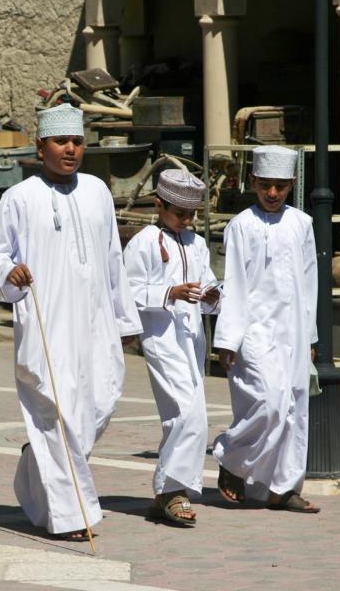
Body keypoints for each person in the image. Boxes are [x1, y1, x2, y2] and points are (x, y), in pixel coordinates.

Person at [0, 104, 142, 540]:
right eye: (61, 142)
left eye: (77, 142)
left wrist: (124, 322)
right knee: (59, 412)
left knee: (98, 406)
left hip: (96, 323)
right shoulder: (20, 197)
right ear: (40, 146)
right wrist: (7, 273)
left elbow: (112, 261)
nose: (70, 150)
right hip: (47, 325)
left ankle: (35, 465)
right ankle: (73, 518)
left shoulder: (97, 191)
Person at [212, 145, 321, 513]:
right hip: (254, 330)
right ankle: (232, 459)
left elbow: (309, 283)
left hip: (293, 329)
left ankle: (284, 488)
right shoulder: (241, 225)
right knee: (268, 401)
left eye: (280, 186)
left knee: (293, 408)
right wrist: (227, 339)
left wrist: (311, 336)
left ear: (291, 184)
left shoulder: (301, 224)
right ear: (254, 183)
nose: (272, 194)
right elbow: (235, 283)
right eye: (265, 186)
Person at [123, 169, 220, 526]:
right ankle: (174, 492)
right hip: (160, 338)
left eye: (191, 214)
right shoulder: (144, 242)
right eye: (179, 213)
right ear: (159, 204)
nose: (186, 220)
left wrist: (212, 295)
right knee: (185, 412)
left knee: (194, 414)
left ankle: (166, 493)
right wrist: (169, 293)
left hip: (192, 337)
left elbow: (209, 285)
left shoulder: (196, 243)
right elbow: (127, 289)